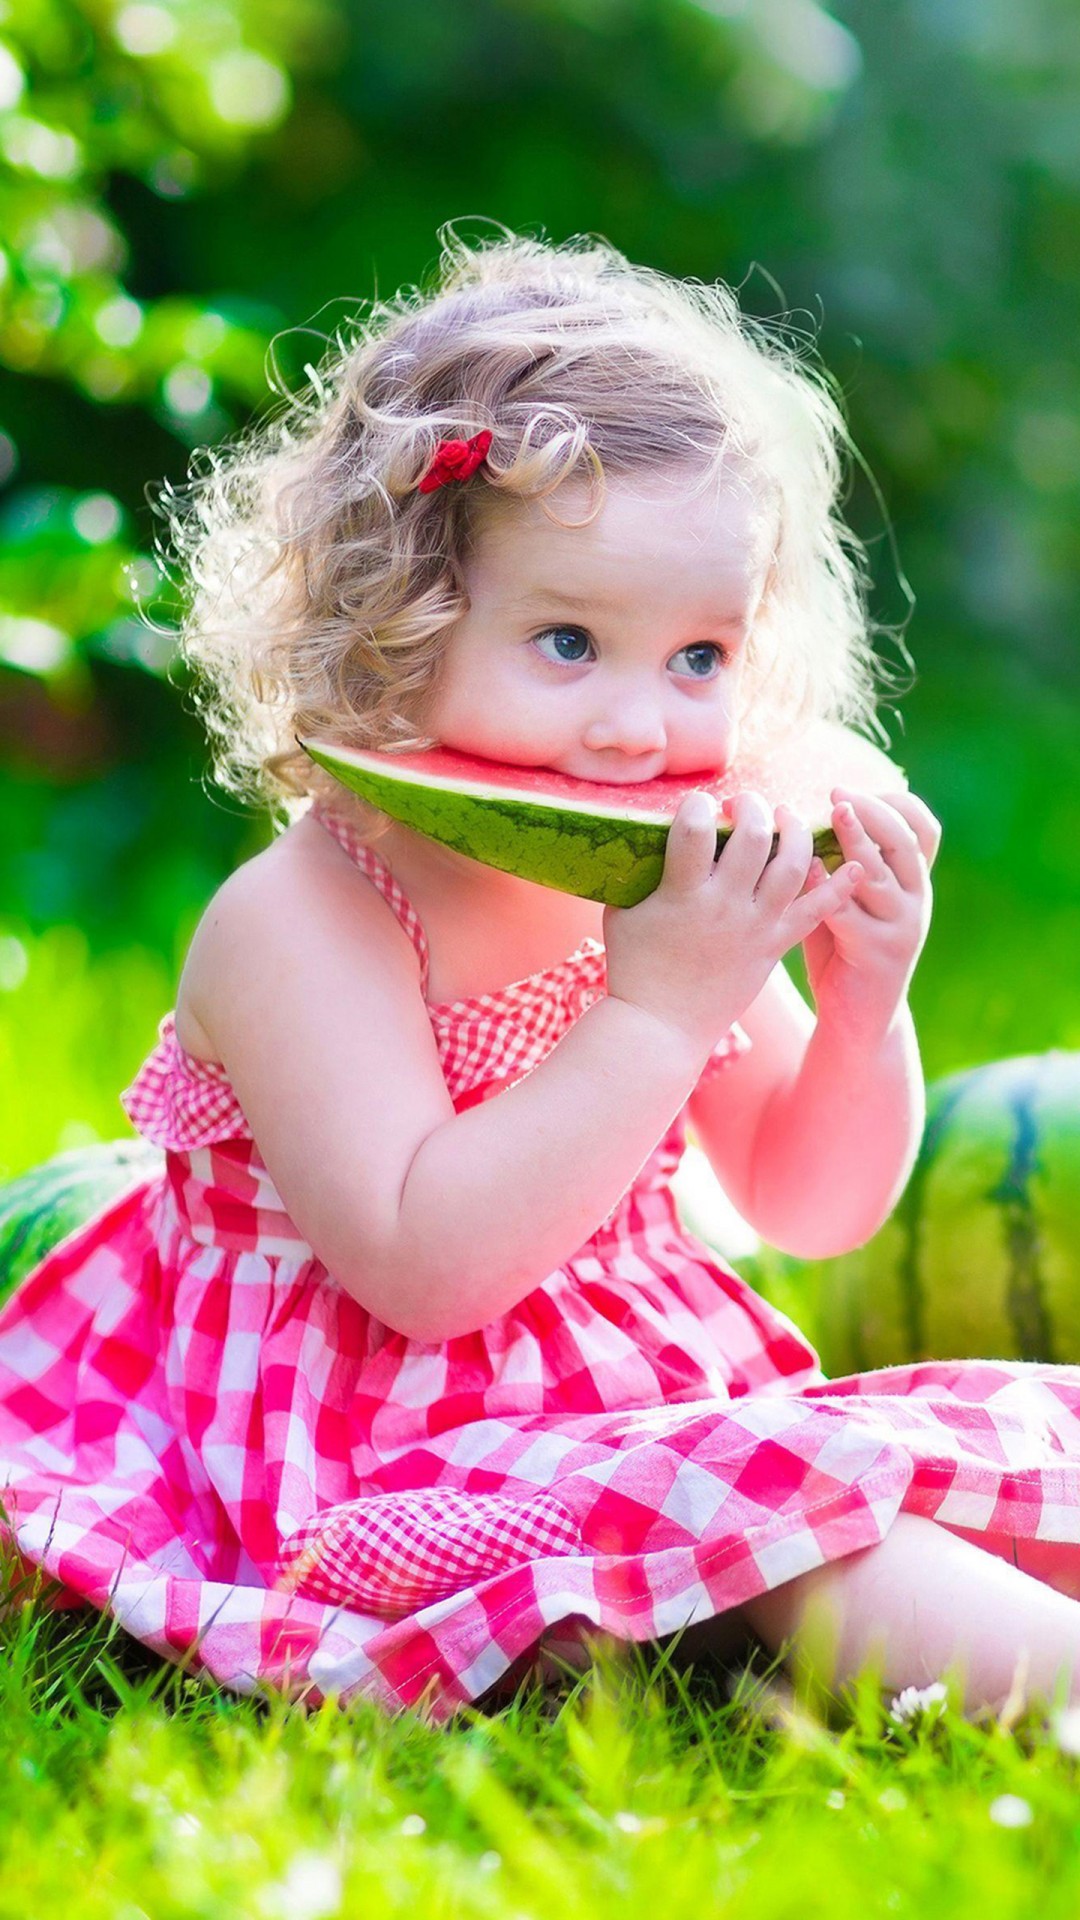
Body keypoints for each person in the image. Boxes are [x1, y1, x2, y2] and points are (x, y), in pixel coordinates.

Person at [3, 226, 1080, 1726]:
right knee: (800, 1542)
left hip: (639, 1417)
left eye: (699, 657)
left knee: (929, 1485)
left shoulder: (651, 878)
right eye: (570, 642)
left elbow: (808, 1203)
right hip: (377, 1476)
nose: (640, 730)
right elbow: (424, 1269)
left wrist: (861, 1006)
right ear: (398, 619)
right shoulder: (306, 919)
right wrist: (653, 1013)